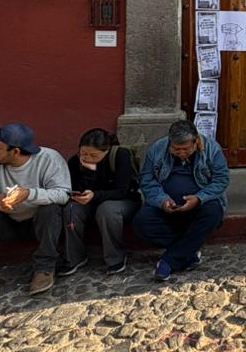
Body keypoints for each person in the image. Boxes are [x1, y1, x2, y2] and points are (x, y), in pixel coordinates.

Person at [0, 124, 71, 301]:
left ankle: (45, 268)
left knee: (50, 209)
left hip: (39, 223)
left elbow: (63, 194)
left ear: (16, 152)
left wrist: (28, 194)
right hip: (7, 222)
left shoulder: (49, 159)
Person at [134, 119, 230, 279]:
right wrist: (162, 200)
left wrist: (199, 198)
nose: (181, 153)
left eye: (186, 149)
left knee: (214, 212)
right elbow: (147, 180)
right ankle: (188, 253)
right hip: (166, 207)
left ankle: (169, 261)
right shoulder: (157, 149)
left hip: (199, 205)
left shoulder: (212, 149)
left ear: (196, 142)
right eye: (176, 149)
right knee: (142, 221)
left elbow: (221, 180)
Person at [60, 128, 140, 276]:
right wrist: (84, 183)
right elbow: (76, 187)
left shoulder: (120, 156)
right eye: (84, 153)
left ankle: (115, 258)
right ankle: (74, 257)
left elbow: (122, 190)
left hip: (122, 201)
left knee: (106, 210)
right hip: (90, 202)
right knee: (71, 209)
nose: (87, 158)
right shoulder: (75, 162)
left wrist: (95, 195)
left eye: (93, 155)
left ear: (106, 151)